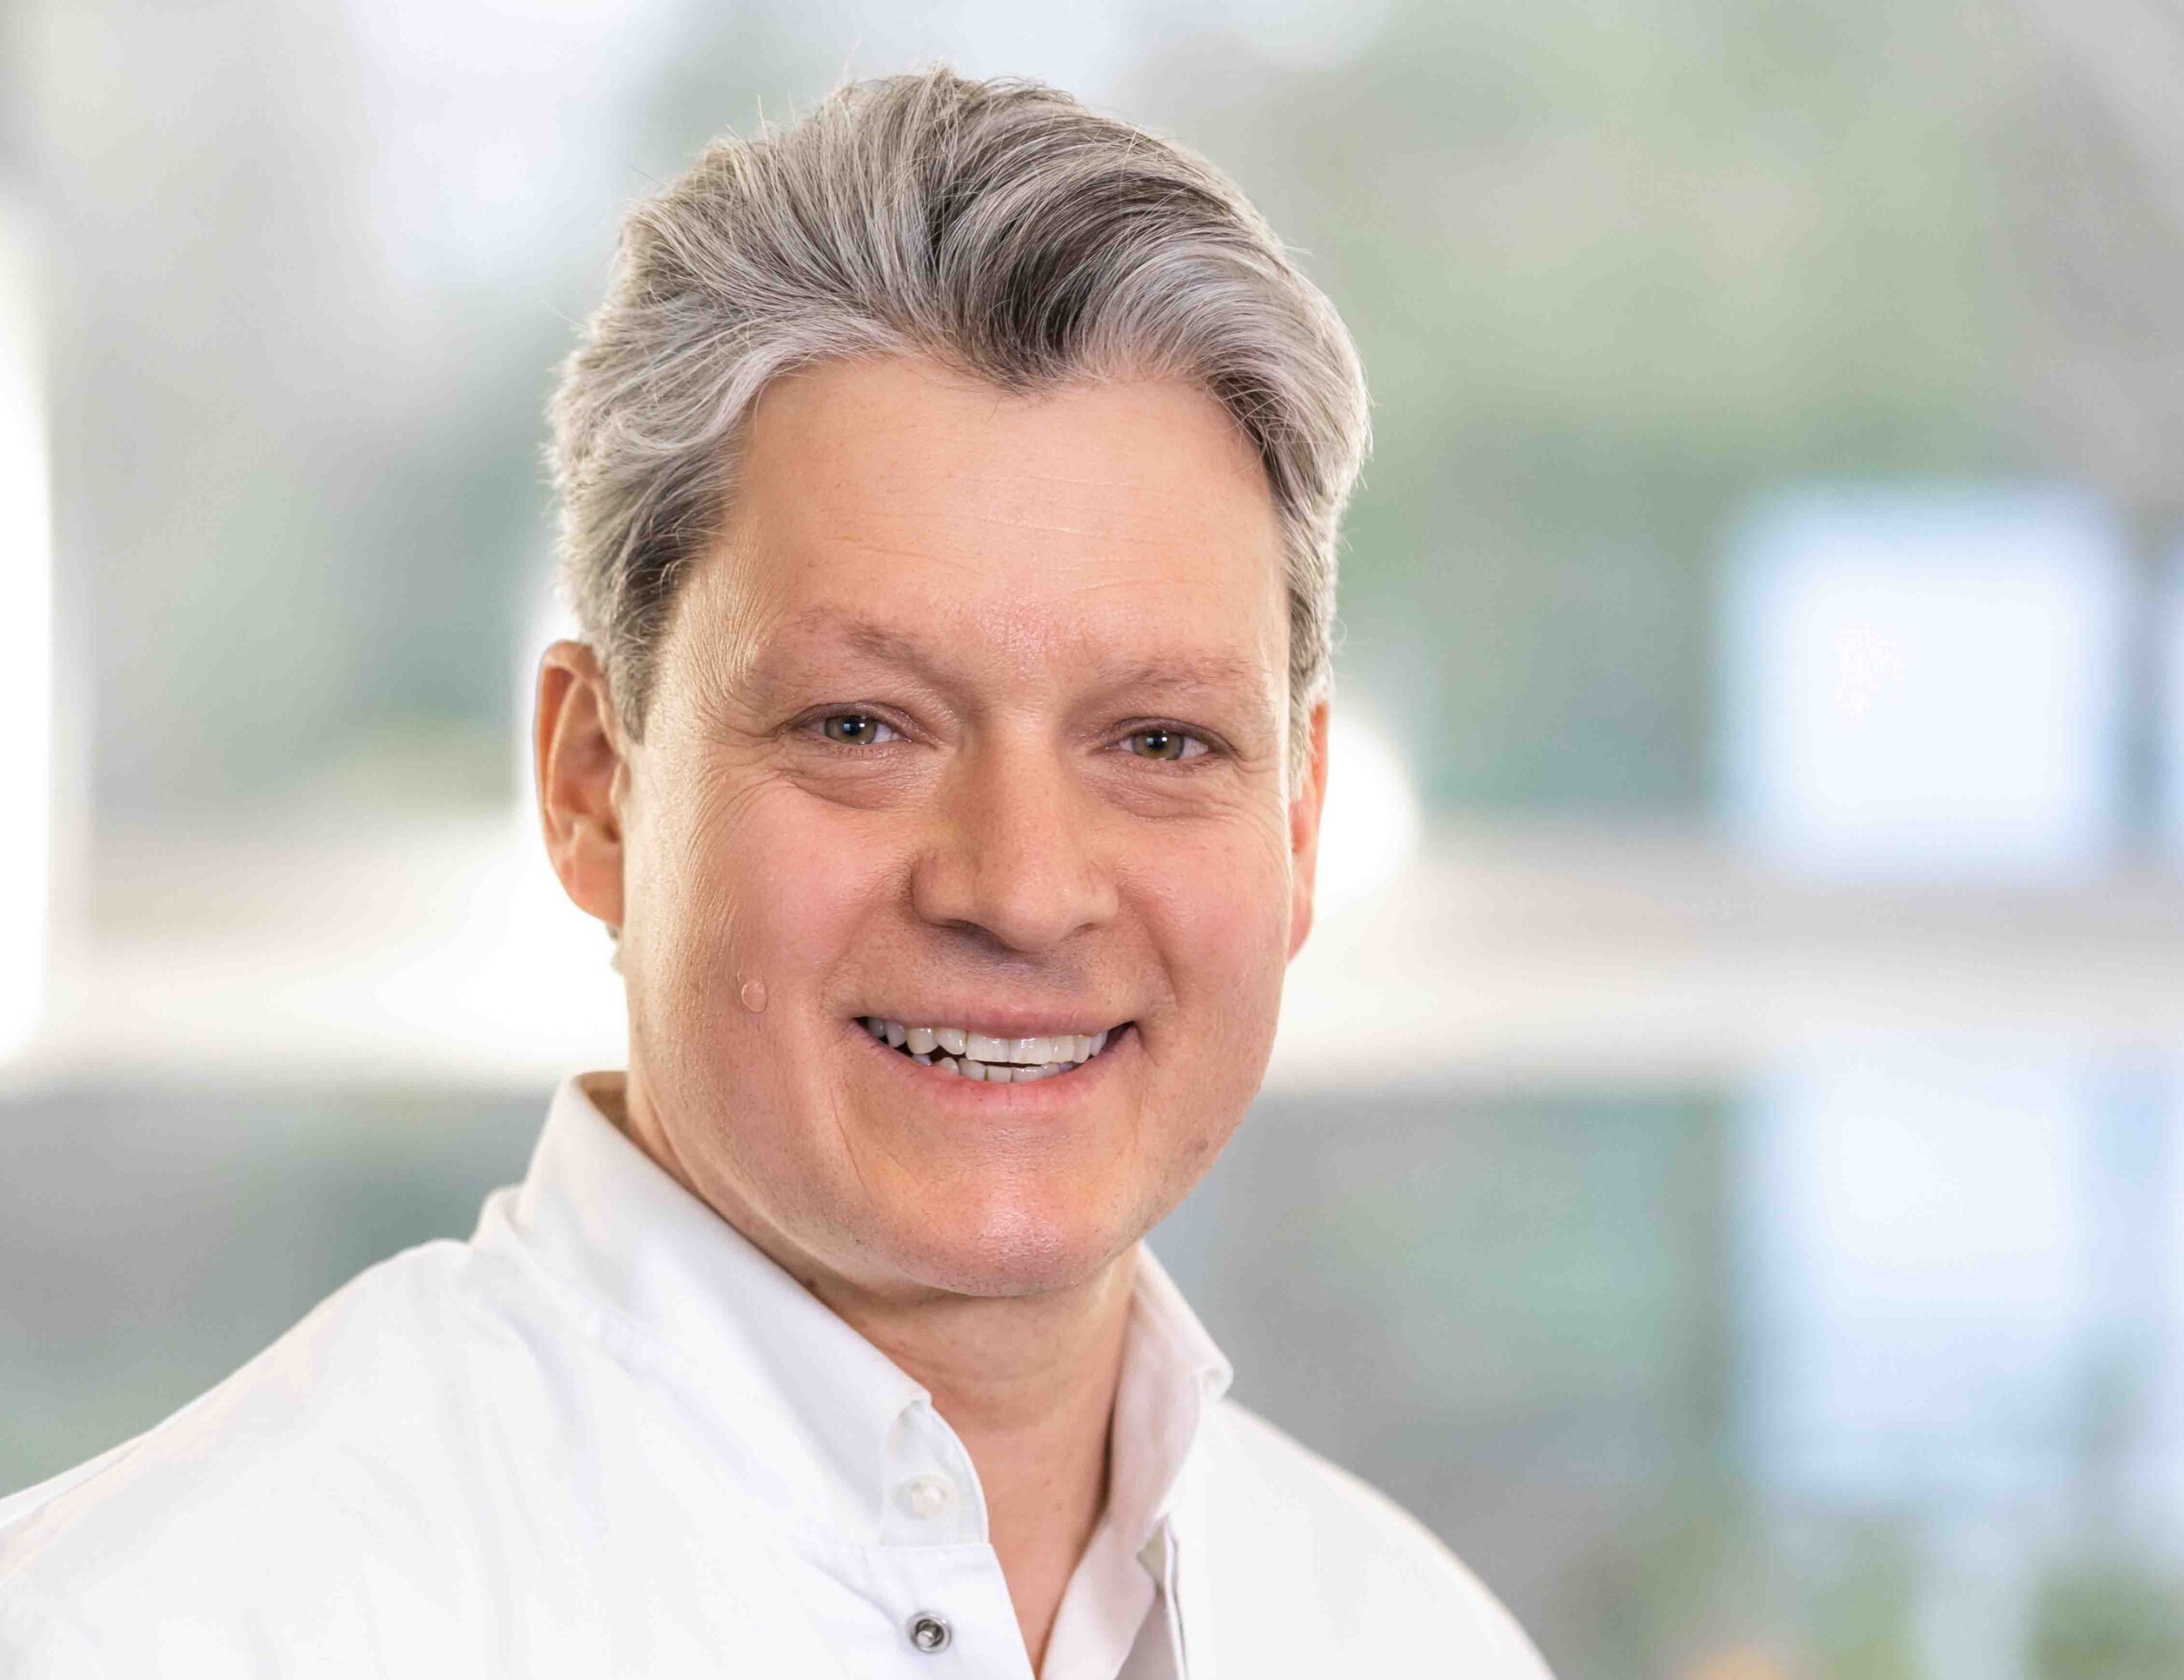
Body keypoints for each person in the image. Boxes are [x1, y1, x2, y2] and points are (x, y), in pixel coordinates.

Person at [0, 68, 1552, 1679]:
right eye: (862, 725)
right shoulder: (143, 1634)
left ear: (1296, 827)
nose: (1023, 888)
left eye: (1160, 741)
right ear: (593, 784)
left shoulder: (1422, 1641)